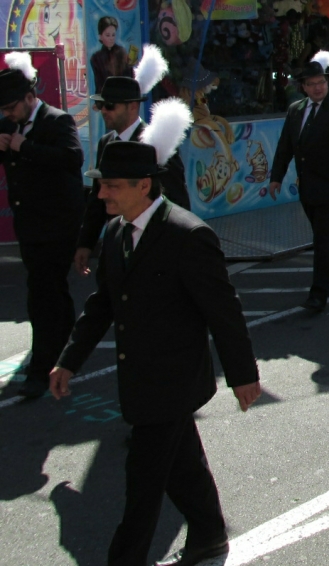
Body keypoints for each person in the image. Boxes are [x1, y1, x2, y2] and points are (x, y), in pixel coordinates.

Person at [49, 120, 262, 565]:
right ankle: (209, 535)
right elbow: (103, 303)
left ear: (143, 185)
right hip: (139, 378)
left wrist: (243, 375)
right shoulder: (115, 232)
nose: (101, 194)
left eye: (111, 186)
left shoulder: (188, 235)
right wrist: (69, 359)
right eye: (101, 185)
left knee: (143, 483)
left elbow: (223, 311)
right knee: (182, 466)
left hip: (174, 380)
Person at [0, 52, 84, 399]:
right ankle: (68, 349)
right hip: (30, 225)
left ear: (30, 97)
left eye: (11, 108)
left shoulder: (56, 120)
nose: (7, 115)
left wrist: (26, 147)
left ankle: (40, 370)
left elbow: (72, 158)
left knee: (42, 296)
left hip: (57, 224)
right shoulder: (10, 126)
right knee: (51, 292)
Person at [76, 46, 190, 277]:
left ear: (132, 106)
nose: (104, 111)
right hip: (116, 243)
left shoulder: (154, 143)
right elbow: (98, 199)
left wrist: (178, 248)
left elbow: (177, 199)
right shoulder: (106, 142)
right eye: (102, 105)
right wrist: (86, 243)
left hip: (149, 248)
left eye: (110, 105)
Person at [270, 51, 329, 313]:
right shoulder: (296, 111)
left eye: (321, 82)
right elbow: (285, 146)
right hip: (307, 187)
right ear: (303, 87)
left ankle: (318, 293)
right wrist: (276, 177)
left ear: (327, 82)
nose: (317, 88)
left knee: (323, 238)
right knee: (325, 236)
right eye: (311, 84)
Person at [90, 16, 132, 95]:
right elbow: (99, 83)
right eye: (108, 35)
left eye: (113, 35)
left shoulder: (122, 52)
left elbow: (129, 77)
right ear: (100, 36)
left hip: (123, 96)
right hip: (106, 98)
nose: (111, 38)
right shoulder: (96, 58)